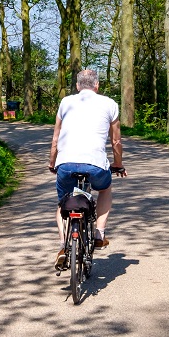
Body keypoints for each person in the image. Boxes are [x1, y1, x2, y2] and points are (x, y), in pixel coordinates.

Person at [48, 69, 126, 269]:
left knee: (63, 202)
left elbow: (56, 138)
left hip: (65, 163)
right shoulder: (110, 104)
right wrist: (118, 164)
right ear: (97, 85)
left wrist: (52, 162)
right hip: (96, 164)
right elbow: (116, 140)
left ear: (77, 86)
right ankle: (99, 232)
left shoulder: (66, 102)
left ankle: (64, 245)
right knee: (105, 188)